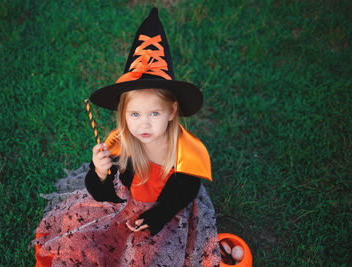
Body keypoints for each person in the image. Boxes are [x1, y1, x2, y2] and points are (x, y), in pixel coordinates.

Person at [33, 7, 221, 266]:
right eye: (135, 114)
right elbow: (102, 193)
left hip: (164, 211)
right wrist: (99, 173)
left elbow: (186, 190)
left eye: (154, 113)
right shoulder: (120, 144)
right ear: (123, 114)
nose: (144, 124)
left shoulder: (186, 151)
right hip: (123, 202)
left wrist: (159, 216)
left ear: (172, 111)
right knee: (86, 239)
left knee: (151, 256)